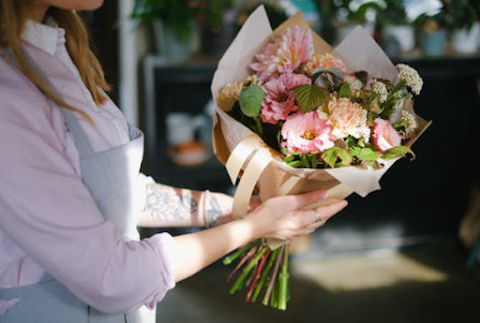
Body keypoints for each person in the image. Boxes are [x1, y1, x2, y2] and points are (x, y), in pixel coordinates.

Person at [0, 0, 349, 322]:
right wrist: (253, 228)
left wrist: (232, 208)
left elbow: (108, 193)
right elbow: (112, 278)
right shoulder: (9, 97)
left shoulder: (53, 47)